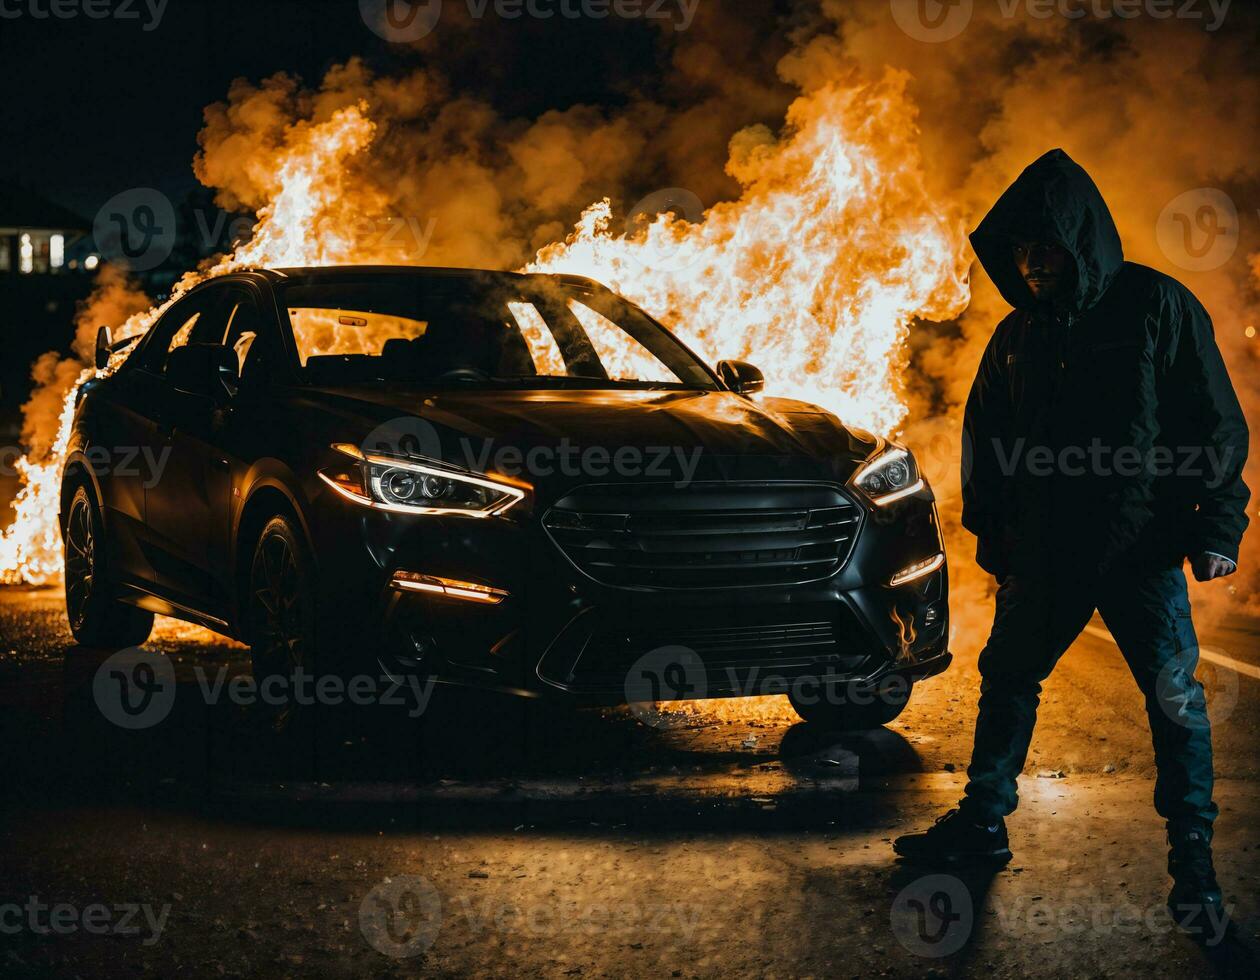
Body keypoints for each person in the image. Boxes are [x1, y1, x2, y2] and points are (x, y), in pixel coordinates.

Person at [893, 149, 1249, 939]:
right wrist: (998, 539)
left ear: (1080, 242)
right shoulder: (1017, 336)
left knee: (1175, 704)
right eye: (1020, 251)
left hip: (1139, 551)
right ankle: (984, 820)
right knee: (1008, 680)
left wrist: (1217, 526)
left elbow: (1213, 422)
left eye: (1045, 247)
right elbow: (984, 441)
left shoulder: (1156, 306)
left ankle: (1193, 860)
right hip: (1048, 556)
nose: (1031, 264)